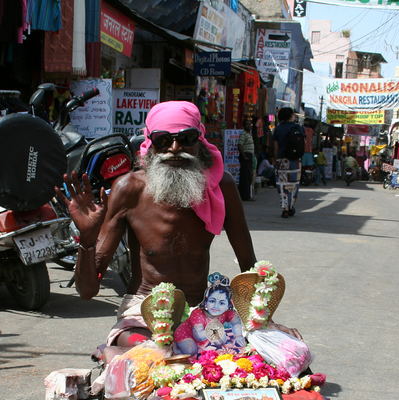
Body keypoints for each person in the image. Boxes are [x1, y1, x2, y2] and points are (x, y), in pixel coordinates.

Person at [63, 101, 257, 352]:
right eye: (163, 140)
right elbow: (87, 291)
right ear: (150, 142)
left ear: (199, 139)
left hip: (201, 312)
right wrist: (87, 241)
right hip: (143, 311)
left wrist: (258, 322)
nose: (175, 148)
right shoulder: (129, 188)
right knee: (150, 352)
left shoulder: (222, 186)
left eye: (186, 138)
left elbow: (248, 265)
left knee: (245, 355)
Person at [174, 272, 245, 355]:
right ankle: (176, 348)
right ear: (206, 301)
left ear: (228, 305)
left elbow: (236, 321)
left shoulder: (227, 312)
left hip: (209, 333)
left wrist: (238, 335)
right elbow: (198, 336)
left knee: (222, 343)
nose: (216, 306)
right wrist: (215, 331)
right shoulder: (198, 313)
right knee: (191, 351)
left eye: (221, 303)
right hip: (187, 334)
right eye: (212, 301)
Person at [271, 107, 304, 218]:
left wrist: (275, 159)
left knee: (282, 185)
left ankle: (284, 208)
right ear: (290, 116)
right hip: (295, 161)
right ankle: (291, 206)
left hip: (282, 161)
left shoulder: (278, 129)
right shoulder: (298, 127)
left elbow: (275, 146)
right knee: (294, 185)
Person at [237, 119, 255, 201]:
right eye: (247, 124)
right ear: (244, 126)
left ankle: (245, 195)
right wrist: (244, 156)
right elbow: (240, 145)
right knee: (245, 176)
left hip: (249, 156)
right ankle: (245, 196)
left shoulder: (249, 134)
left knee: (248, 176)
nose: (249, 126)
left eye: (250, 124)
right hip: (246, 156)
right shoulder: (243, 134)